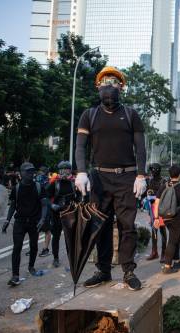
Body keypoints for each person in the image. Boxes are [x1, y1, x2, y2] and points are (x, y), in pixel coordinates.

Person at [75, 66, 146, 290]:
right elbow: (80, 147)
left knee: (127, 226)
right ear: (98, 86)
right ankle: (103, 270)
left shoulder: (131, 114)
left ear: (121, 88)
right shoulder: (89, 115)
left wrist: (141, 175)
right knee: (101, 226)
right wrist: (81, 171)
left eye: (114, 82)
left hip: (127, 177)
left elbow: (140, 148)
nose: (109, 85)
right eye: (105, 81)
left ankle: (128, 270)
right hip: (99, 178)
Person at [2, 162, 49, 286]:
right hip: (20, 222)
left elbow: (44, 205)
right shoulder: (16, 188)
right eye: (27, 171)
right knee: (17, 247)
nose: (31, 174)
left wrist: (42, 219)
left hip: (34, 222)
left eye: (32, 171)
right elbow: (13, 206)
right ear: (21, 173)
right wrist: (7, 220)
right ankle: (15, 275)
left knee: (34, 246)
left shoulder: (39, 187)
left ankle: (31, 266)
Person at [45, 161, 77, 268]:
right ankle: (55, 258)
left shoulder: (73, 182)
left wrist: (77, 205)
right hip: (57, 213)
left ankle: (71, 257)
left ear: (70, 171)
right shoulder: (55, 182)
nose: (64, 173)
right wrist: (52, 205)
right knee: (56, 236)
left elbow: (80, 197)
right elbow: (45, 197)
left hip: (69, 213)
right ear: (59, 171)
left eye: (67, 170)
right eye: (62, 170)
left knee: (70, 237)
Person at [145, 163, 167, 262]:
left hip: (161, 208)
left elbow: (165, 194)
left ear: (156, 170)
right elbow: (148, 192)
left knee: (162, 231)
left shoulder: (163, 181)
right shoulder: (150, 180)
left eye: (152, 170)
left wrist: (155, 194)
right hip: (152, 208)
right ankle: (154, 252)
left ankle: (164, 253)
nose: (152, 172)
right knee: (154, 230)